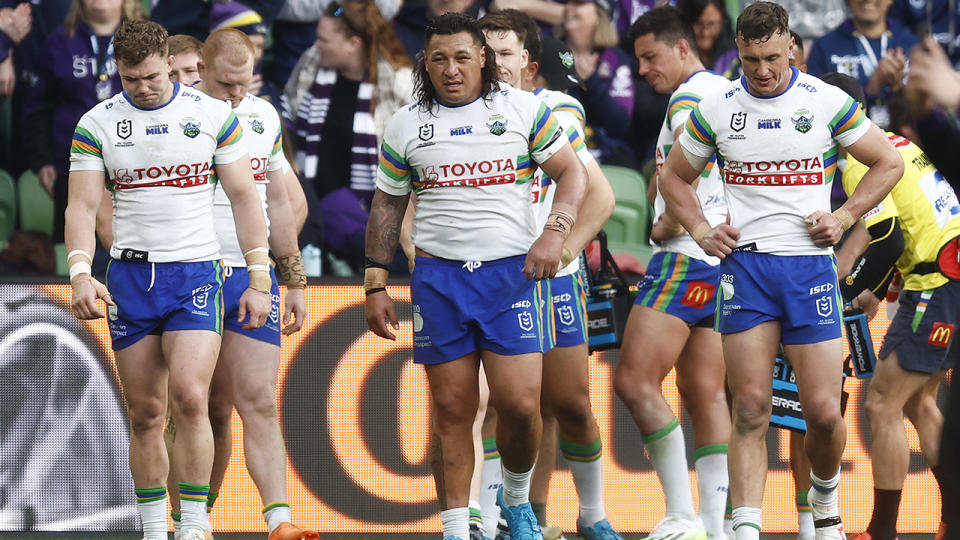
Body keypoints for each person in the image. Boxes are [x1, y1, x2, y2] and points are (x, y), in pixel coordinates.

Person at [657, 3, 905, 540]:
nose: (762, 71)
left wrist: (842, 216)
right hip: (745, 270)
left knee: (822, 413)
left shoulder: (825, 101)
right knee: (749, 407)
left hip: (809, 270)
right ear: (739, 52)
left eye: (772, 57)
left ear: (792, 45)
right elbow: (672, 179)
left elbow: (889, 162)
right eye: (750, 60)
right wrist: (701, 230)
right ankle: (746, 528)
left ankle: (824, 503)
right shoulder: (719, 106)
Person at [364, 12, 587, 540]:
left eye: (463, 57)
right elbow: (386, 207)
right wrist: (375, 280)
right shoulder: (406, 124)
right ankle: (457, 529)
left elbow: (573, 173)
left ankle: (514, 497)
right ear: (426, 63)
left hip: (510, 275)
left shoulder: (523, 109)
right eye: (439, 59)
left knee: (519, 404)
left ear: (483, 59)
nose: (451, 69)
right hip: (439, 280)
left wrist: (555, 234)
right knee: (452, 409)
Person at [64, 19, 273, 540]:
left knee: (190, 395)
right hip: (132, 276)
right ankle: (154, 529)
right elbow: (83, 204)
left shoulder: (211, 115)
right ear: (119, 71)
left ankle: (194, 525)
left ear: (172, 64)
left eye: (153, 76)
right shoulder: (97, 123)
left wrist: (262, 274)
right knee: (146, 412)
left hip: (196, 272)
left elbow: (246, 196)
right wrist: (80, 273)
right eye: (131, 79)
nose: (144, 88)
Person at [159, 29, 317, 540]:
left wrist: (291, 280)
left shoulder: (262, 115)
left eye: (244, 85)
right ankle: (192, 521)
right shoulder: (169, 116)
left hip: (250, 275)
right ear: (199, 69)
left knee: (258, 402)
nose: (235, 96)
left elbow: (280, 203)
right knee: (196, 409)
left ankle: (279, 521)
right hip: (188, 274)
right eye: (226, 85)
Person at [480, 11, 619, 540]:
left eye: (505, 53)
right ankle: (498, 517)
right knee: (502, 405)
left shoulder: (552, 109)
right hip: (490, 278)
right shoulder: (453, 114)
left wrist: (563, 253)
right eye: (485, 52)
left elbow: (600, 196)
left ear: (528, 64)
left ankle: (592, 514)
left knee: (569, 402)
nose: (494, 63)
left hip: (552, 279)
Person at [817, 71, 956, 540]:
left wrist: (853, 287)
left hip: (936, 285)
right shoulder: (893, 142)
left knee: (881, 403)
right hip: (947, 279)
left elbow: (889, 240)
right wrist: (878, 290)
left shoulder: (859, 156)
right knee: (919, 403)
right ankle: (953, 521)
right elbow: (904, 224)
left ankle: (882, 532)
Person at [614, 8, 731, 540]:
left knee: (636, 381)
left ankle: (682, 516)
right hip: (720, 265)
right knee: (704, 393)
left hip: (684, 256)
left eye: (649, 56)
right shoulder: (724, 91)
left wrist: (664, 223)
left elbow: (691, 162)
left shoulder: (690, 97)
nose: (641, 69)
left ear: (684, 48)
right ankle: (715, 523)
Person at [282, 0, 414, 274]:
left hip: (368, 216)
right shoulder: (312, 62)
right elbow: (289, 112)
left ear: (353, 43)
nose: (317, 44)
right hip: (314, 207)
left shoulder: (399, 81)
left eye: (324, 39)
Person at [22, 0, 143, 243]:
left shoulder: (144, 40)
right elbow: (38, 105)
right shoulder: (59, 41)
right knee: (75, 243)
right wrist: (42, 159)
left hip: (135, 165)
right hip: (73, 163)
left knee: (134, 243)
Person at [805, 0, 920, 129]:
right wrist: (870, 90)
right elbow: (815, 109)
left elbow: (925, 113)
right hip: (846, 144)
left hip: (905, 143)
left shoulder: (912, 45)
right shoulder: (824, 47)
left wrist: (897, 91)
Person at [557, 0, 636, 167]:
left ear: (600, 13)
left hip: (606, 154)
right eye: (567, 3)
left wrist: (592, 81)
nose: (568, 8)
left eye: (578, 4)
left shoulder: (615, 59)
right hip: (560, 149)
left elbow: (619, 124)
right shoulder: (550, 52)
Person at [676, 0, 737, 77]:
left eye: (711, 24)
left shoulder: (736, 57)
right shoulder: (675, 58)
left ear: (722, 21)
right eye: (698, 23)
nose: (705, 33)